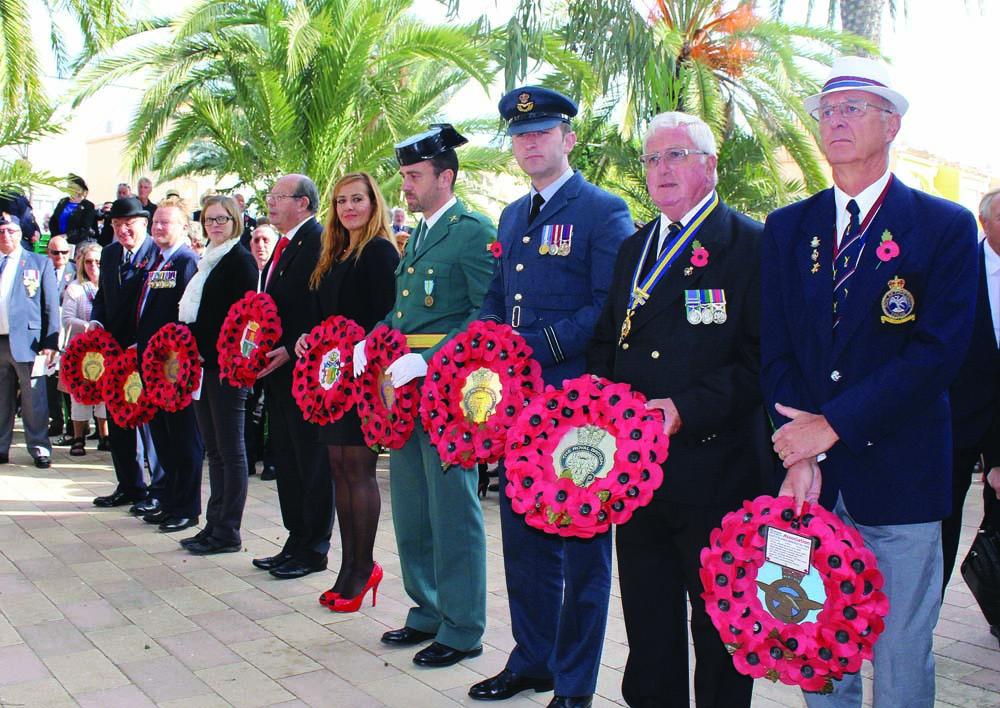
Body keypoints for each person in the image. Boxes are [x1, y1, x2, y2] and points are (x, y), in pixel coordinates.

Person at [761, 56, 979, 708]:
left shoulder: (943, 226)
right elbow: (776, 352)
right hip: (812, 483)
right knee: (820, 648)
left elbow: (936, 354)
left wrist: (831, 426)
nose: (836, 122)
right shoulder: (786, 228)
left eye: (854, 108)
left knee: (903, 652)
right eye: (828, 111)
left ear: (892, 123)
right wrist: (800, 449)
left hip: (901, 478)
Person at [586, 111, 765, 708]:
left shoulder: (749, 244)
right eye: (652, 159)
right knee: (648, 620)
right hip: (637, 475)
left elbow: (758, 362)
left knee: (717, 628)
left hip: (715, 469)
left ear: (710, 165)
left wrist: (686, 409)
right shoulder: (635, 246)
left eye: (676, 156)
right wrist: (589, 408)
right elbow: (607, 340)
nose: (661, 170)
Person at [470, 87, 633, 708]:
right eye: (520, 134)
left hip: (575, 414)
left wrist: (534, 348)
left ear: (568, 138)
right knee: (524, 542)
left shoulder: (601, 209)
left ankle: (573, 684)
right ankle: (531, 659)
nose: (529, 142)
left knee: (581, 549)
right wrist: (484, 351)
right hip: (516, 410)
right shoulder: (512, 216)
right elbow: (494, 300)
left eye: (541, 132)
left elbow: (607, 307)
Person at [353, 123, 495, 668]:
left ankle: (462, 626)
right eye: (405, 176)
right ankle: (427, 609)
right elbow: (407, 309)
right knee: (412, 505)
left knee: (453, 511)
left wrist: (430, 359)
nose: (405, 186)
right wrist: (378, 336)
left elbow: (486, 314)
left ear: (445, 175)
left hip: (447, 392)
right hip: (404, 390)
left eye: (414, 176)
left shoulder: (471, 229)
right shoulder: (419, 232)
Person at [294, 172, 399, 609]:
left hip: (364, 378)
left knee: (358, 470)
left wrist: (360, 350)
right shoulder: (332, 255)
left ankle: (363, 568)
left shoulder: (378, 252)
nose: (349, 208)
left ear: (374, 204)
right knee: (338, 468)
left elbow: (389, 315)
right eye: (340, 201)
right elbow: (323, 318)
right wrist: (306, 338)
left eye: (357, 199)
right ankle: (348, 566)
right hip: (331, 380)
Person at [253, 174, 334, 579]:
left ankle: (314, 547)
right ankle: (295, 538)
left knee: (311, 461)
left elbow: (317, 307)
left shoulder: (318, 241)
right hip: (277, 371)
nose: (270, 202)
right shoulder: (284, 245)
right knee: (287, 460)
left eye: (278, 196)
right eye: (269, 196)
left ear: (302, 203)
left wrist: (289, 344)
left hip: (305, 370)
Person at [177, 195, 258, 553]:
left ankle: (228, 531)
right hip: (201, 366)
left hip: (227, 368)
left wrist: (225, 358)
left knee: (231, 450)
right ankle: (213, 523)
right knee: (214, 450)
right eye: (209, 219)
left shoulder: (239, 260)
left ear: (235, 220)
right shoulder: (207, 259)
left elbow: (241, 320)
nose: (215, 225)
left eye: (222, 219)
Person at [941, 187, 1000, 592]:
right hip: (959, 420)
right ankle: (928, 610)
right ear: (984, 223)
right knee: (943, 524)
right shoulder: (959, 268)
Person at [134, 197, 204, 533]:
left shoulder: (185, 261)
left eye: (167, 222)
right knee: (163, 438)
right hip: (152, 367)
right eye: (156, 222)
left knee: (183, 439)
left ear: (183, 228)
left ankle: (187, 508)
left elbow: (185, 317)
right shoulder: (157, 261)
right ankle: (171, 502)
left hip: (173, 369)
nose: (159, 227)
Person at [89, 197, 164, 508]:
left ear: (144, 224)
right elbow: (104, 296)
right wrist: (95, 321)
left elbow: (161, 308)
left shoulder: (158, 255)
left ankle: (159, 489)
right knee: (119, 418)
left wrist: (143, 341)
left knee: (150, 423)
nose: (122, 231)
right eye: (117, 225)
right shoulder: (108, 254)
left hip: (145, 351)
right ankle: (129, 485)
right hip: (114, 352)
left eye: (128, 224)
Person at [0, 214, 58, 468]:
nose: (6, 236)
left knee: (34, 397)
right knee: (1, 398)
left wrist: (50, 341)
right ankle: (1, 447)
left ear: (20, 233)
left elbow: (50, 306)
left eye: (11, 231)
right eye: (1, 232)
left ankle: (39, 447)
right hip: (0, 341)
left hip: (29, 341)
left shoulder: (38, 262)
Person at [60, 242, 109, 455]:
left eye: (98, 262)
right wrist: (89, 325)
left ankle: (104, 436)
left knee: (105, 394)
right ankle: (78, 437)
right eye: (88, 262)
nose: (93, 266)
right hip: (80, 350)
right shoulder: (75, 288)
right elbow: (67, 318)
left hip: (105, 350)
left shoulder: (110, 285)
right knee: (80, 394)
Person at [246, 220, 278, 479]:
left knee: (269, 408)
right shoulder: (246, 271)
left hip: (275, 352)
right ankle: (249, 457)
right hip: (248, 352)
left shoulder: (278, 271)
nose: (260, 245)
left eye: (266, 240)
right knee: (250, 406)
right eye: (256, 240)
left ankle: (272, 461)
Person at [44, 235, 74, 441]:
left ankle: (74, 423)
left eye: (64, 252)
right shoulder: (42, 268)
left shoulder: (74, 271)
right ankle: (56, 420)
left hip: (69, 330)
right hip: (48, 330)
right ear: (48, 252)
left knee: (68, 378)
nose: (60, 257)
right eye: (55, 252)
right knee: (48, 378)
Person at [48, 175, 96, 247]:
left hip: (76, 244)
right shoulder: (63, 201)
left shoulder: (88, 206)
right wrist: (56, 236)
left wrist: (67, 236)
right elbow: (53, 220)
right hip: (58, 242)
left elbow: (84, 228)